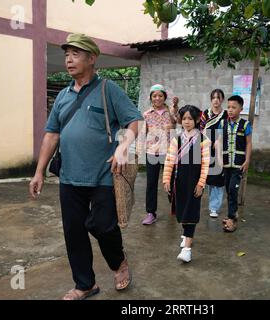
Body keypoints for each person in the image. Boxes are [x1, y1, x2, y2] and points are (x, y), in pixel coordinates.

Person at [28, 34, 143, 300]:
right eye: (67, 54)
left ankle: (118, 262)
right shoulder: (63, 96)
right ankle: (85, 284)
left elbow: (134, 122)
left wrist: (122, 147)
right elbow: (51, 134)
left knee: (102, 226)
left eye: (76, 54)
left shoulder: (108, 90)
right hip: (69, 177)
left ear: (92, 58)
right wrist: (38, 172)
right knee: (74, 233)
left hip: (104, 175)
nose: (69, 59)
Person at [162, 105, 210, 263]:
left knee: (191, 211)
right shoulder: (177, 139)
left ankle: (187, 249)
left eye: (190, 119)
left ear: (196, 120)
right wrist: (166, 179)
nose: (187, 122)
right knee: (182, 210)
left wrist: (201, 183)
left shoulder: (203, 140)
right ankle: (186, 234)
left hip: (194, 182)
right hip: (179, 181)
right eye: (184, 119)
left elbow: (205, 164)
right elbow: (169, 160)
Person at [139, 84, 179, 225]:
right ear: (151, 98)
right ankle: (151, 212)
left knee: (171, 181)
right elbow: (143, 133)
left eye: (160, 95)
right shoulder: (146, 114)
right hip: (152, 152)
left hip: (169, 152)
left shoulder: (170, 112)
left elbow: (177, 122)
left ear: (164, 97)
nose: (157, 98)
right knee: (151, 183)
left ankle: (175, 206)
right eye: (154, 96)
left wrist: (175, 106)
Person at [217, 95, 252, 232]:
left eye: (234, 107)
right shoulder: (223, 123)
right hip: (226, 164)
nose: (230, 110)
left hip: (239, 164)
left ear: (241, 109)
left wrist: (247, 160)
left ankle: (232, 219)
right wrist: (219, 159)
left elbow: (249, 143)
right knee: (228, 189)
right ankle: (234, 212)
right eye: (229, 107)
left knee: (233, 189)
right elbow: (219, 141)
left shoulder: (245, 125)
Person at [200, 89, 228, 218]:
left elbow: (228, 132)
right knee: (201, 177)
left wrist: (218, 140)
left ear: (222, 100)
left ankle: (214, 207)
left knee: (217, 179)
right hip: (205, 149)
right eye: (214, 97)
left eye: (219, 97)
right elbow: (200, 130)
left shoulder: (226, 115)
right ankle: (195, 203)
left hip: (219, 150)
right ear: (211, 99)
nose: (216, 100)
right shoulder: (205, 114)